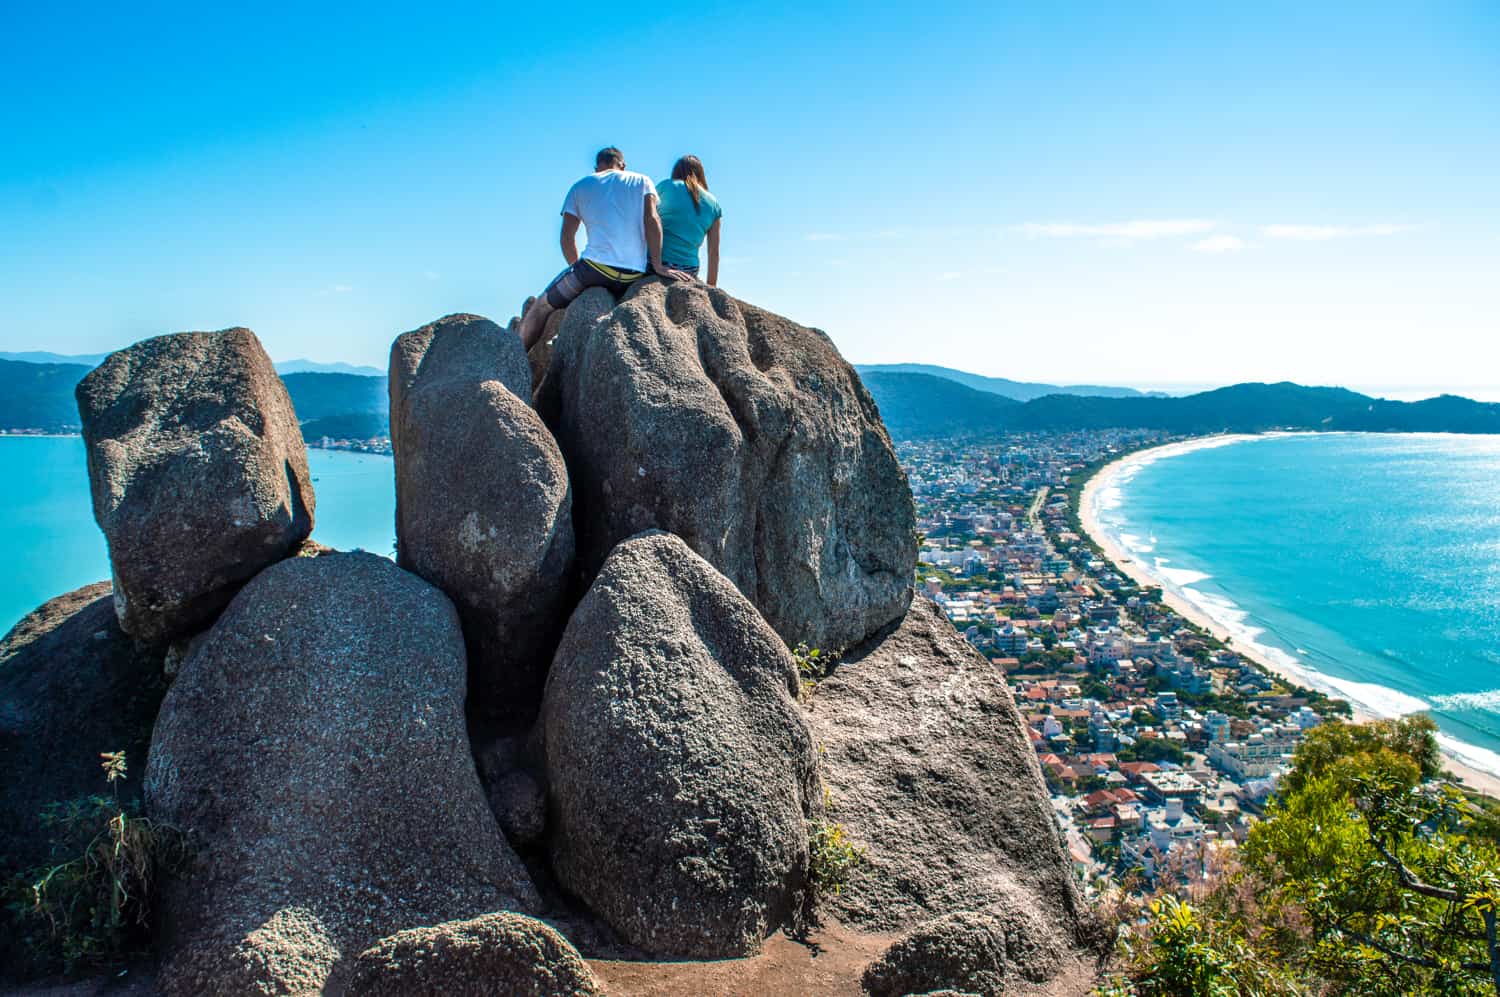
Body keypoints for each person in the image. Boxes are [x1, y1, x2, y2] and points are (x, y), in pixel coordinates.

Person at [518, 147, 689, 350]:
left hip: (593, 270)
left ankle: (515, 360)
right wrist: (659, 265)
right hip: (633, 273)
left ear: (596, 167)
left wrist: (577, 270)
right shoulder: (642, 181)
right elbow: (653, 220)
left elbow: (566, 237)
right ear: (623, 165)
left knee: (541, 307)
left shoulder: (581, 186)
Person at [655, 155, 722, 285]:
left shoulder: (665, 186)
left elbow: (646, 218)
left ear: (675, 172)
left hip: (658, 263)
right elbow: (714, 252)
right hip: (689, 270)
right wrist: (711, 287)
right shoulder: (714, 203)